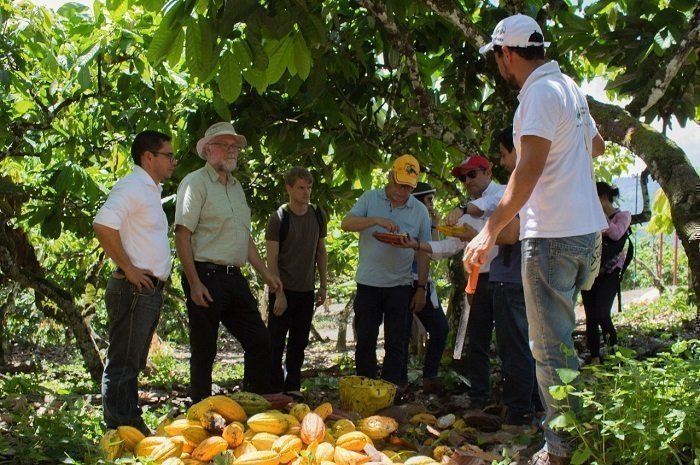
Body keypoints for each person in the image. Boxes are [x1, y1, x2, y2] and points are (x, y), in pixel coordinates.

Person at [468, 14, 608, 465]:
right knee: (561, 345)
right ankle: (580, 432)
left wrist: (488, 231)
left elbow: (527, 171)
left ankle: (564, 449)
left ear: (507, 53)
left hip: (552, 235)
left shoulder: (540, 94)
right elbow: (597, 146)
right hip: (586, 232)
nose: (499, 66)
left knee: (549, 351)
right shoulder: (568, 87)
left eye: (498, 58)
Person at [175, 121, 283, 401]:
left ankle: (255, 405)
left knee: (260, 340)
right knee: (205, 348)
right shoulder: (195, 183)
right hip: (205, 274)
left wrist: (265, 272)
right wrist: (194, 282)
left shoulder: (236, 188)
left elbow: (243, 238)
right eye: (224, 145)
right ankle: (200, 409)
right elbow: (182, 235)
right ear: (208, 150)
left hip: (233, 276)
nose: (231, 151)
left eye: (234, 146)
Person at [94, 130, 177, 435]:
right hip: (134, 289)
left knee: (132, 362)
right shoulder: (132, 186)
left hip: (146, 290)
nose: (174, 161)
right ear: (148, 157)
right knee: (123, 363)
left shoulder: (151, 189)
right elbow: (103, 223)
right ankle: (119, 429)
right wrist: (128, 268)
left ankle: (129, 424)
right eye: (168, 155)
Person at [407, 155, 505, 408]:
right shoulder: (464, 213)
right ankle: (480, 398)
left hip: (506, 277)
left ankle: (520, 401)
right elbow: (449, 246)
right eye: (463, 178)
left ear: (488, 171)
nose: (467, 181)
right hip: (478, 280)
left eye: (472, 174)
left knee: (512, 342)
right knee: (478, 343)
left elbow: (493, 203)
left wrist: (463, 210)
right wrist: (418, 244)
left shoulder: (502, 193)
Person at [340, 154, 432, 387]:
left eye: (408, 188)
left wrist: (421, 287)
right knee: (365, 341)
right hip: (369, 283)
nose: (402, 192)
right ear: (390, 175)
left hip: (400, 285)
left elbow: (424, 250)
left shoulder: (419, 211)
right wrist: (375, 220)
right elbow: (346, 224)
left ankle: (392, 390)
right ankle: (365, 387)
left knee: (397, 342)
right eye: (398, 185)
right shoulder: (370, 198)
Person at [492, 126, 543, 425]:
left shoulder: (520, 182)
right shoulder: (539, 178)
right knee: (531, 344)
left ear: (516, 149)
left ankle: (519, 409)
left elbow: (511, 234)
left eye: (503, 154)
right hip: (525, 275)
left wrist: (481, 234)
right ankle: (534, 403)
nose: (501, 161)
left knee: (515, 348)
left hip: (510, 277)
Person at [265, 167, 328, 392]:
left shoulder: (318, 215)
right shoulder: (279, 218)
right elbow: (271, 259)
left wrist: (323, 285)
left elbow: (321, 251)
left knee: (299, 343)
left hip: (306, 290)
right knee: (275, 342)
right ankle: (273, 388)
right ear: (289, 188)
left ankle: (292, 387)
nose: (306, 192)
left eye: (309, 187)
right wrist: (278, 292)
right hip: (282, 288)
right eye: (301, 187)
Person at [581, 182, 631, 364]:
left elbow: (617, 234)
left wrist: (601, 220)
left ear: (602, 198)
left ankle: (613, 352)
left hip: (610, 271)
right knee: (591, 316)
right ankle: (594, 356)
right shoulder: (592, 219)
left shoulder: (623, 216)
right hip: (590, 270)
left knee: (602, 313)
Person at [406, 182, 449, 393]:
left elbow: (435, 250)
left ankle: (430, 376)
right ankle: (398, 382)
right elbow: (416, 252)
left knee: (440, 328)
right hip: (405, 282)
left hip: (423, 282)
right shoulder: (407, 220)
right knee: (401, 332)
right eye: (429, 199)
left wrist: (435, 223)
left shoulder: (426, 220)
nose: (432, 204)